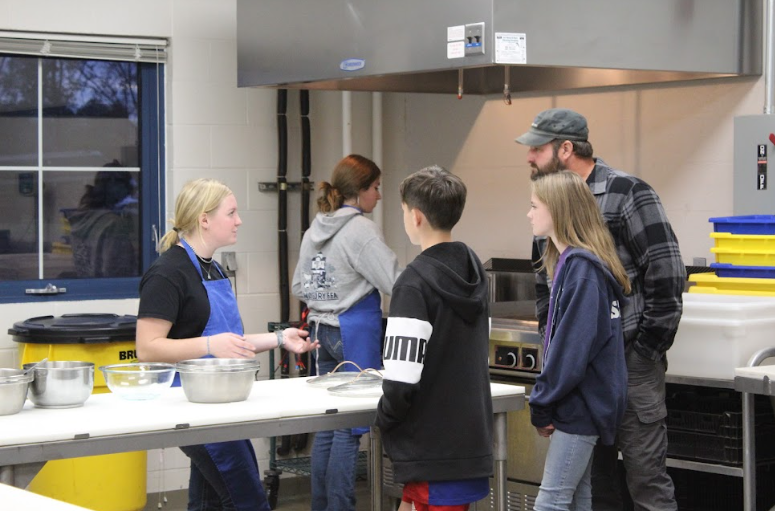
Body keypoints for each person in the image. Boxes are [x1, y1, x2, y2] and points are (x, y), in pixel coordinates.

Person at [515, 108, 686, 511]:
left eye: (537, 149)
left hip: (630, 361)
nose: (529, 158)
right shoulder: (550, 204)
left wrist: (645, 351)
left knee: (646, 480)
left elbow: (667, 272)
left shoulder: (627, 192)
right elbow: (546, 288)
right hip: (583, 375)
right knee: (594, 486)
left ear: (566, 148)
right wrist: (554, 347)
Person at [136, 178, 318, 511]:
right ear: (204, 219)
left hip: (222, 402)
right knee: (248, 502)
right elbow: (147, 348)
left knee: (208, 504)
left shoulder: (213, 269)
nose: (239, 220)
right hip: (192, 406)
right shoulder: (168, 273)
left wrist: (280, 339)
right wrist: (209, 346)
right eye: (231, 213)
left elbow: (227, 344)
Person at [376, 165, 493, 511]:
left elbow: (401, 378)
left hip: (430, 447)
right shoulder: (474, 271)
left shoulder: (412, 283)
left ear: (416, 217)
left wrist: (385, 417)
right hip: (468, 440)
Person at [292, 154, 401, 511]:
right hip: (353, 332)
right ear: (360, 191)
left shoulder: (314, 230)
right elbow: (393, 281)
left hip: (321, 331)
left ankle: (322, 506)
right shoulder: (360, 230)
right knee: (350, 430)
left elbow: (298, 285)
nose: (380, 196)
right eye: (376, 187)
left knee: (328, 424)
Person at [527, 171, 630, 511]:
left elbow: (571, 351)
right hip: (583, 404)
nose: (529, 214)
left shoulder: (582, 271)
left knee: (552, 500)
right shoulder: (573, 265)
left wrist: (541, 403)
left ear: (557, 211)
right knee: (577, 498)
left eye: (534, 206)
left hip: (580, 407)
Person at [68, 161, 139, 277]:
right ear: (112, 185)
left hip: (88, 288)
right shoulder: (113, 224)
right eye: (126, 185)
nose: (129, 192)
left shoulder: (83, 218)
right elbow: (117, 271)